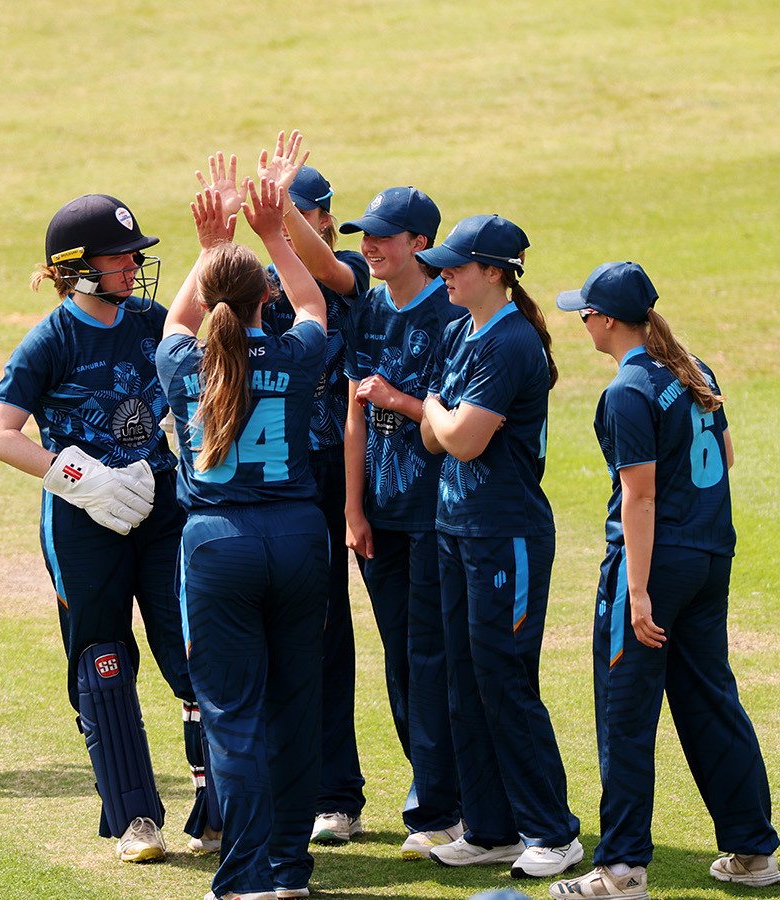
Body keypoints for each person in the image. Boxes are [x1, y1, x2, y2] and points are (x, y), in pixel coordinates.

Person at [0, 193, 212, 863]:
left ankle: (220, 808)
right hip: (85, 523)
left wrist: (168, 436)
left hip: (163, 510)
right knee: (103, 664)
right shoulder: (49, 340)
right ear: (77, 268)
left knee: (196, 653)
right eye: (121, 255)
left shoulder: (149, 320)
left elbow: (196, 343)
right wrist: (85, 480)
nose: (136, 263)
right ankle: (135, 819)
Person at [548, 262, 780, 899]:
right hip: (710, 558)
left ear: (608, 320)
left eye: (586, 313)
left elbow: (640, 498)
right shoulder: (694, 368)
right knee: (711, 700)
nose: (582, 322)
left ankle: (621, 870)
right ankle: (753, 851)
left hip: (654, 563)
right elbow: (724, 456)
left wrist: (640, 590)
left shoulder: (627, 390)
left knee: (624, 714)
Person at [155, 171, 329, 900]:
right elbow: (315, 301)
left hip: (217, 546)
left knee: (233, 716)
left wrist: (211, 244)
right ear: (267, 300)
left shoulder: (182, 360)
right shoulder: (296, 353)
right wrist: (270, 234)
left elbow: (174, 323)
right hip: (296, 538)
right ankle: (289, 869)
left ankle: (247, 876)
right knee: (296, 705)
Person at [416, 216, 584, 877]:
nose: (444, 273)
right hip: (459, 530)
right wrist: (440, 413)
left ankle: (554, 833)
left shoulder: (510, 343)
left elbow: (461, 439)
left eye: (456, 265)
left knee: (504, 682)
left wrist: (434, 408)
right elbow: (439, 435)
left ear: (494, 272)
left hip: (504, 537)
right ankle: (492, 830)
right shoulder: (465, 331)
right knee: (466, 684)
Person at [217, 132, 371, 846]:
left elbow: (326, 281)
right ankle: (271, 793)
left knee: (323, 638)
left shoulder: (341, 273)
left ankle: (336, 794)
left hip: (320, 477)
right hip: (256, 485)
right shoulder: (249, 293)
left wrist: (280, 227)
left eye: (295, 215)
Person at [340, 185, 466, 859]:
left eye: (384, 236)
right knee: (401, 658)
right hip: (380, 519)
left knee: (429, 656)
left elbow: (455, 426)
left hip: (433, 514)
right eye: (367, 234)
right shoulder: (366, 311)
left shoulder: (450, 314)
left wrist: (400, 399)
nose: (370, 246)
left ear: (420, 243)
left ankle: (441, 808)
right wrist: (353, 507)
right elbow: (355, 418)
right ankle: (436, 799)